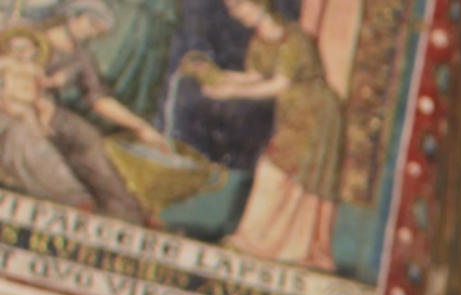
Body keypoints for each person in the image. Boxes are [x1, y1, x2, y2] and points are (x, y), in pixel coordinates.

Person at [183, 0, 346, 271]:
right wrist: (217, 76)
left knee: (277, 170)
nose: (235, 13)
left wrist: (232, 92)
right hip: (293, 114)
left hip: (317, 114)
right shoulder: (259, 42)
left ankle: (258, 242)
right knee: (286, 174)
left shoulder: (293, 39)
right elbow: (255, 77)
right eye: (232, 8)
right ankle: (282, 246)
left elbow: (277, 84)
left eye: (239, 5)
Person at [6, 0, 164, 224]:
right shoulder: (31, 35)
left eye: (97, 31)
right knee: (28, 135)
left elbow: (99, 100)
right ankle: (70, 195)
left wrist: (140, 126)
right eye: (91, 24)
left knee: (87, 137)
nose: (91, 33)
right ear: (73, 15)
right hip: (12, 103)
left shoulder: (81, 57)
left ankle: (123, 209)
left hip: (50, 109)